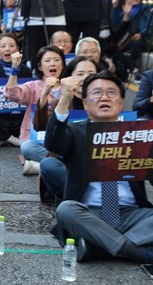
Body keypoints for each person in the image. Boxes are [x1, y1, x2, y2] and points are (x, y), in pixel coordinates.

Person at [46, 70, 153, 264]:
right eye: (96, 93)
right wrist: (64, 100)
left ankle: (98, 246)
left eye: (111, 93)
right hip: (88, 212)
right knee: (65, 210)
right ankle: (135, 251)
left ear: (121, 103)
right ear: (85, 104)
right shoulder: (75, 132)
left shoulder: (138, 134)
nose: (104, 97)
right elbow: (54, 144)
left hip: (132, 214)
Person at [36, 56, 98, 201]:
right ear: (70, 77)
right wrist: (60, 99)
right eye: (80, 74)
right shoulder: (60, 102)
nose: (85, 78)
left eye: (91, 74)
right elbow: (44, 132)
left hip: (101, 168)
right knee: (47, 163)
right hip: (67, 165)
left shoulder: (106, 103)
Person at [3, 45, 66, 175]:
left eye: (56, 60)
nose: (52, 63)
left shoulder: (69, 88)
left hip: (62, 141)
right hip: (37, 141)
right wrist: (14, 68)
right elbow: (12, 94)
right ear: (40, 67)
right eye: (47, 61)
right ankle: (64, 164)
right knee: (26, 147)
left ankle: (41, 165)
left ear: (63, 65)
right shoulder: (33, 86)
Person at [20, 0, 66, 69]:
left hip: (55, 14)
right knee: (36, 55)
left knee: (57, 53)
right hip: (32, 13)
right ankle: (36, 77)